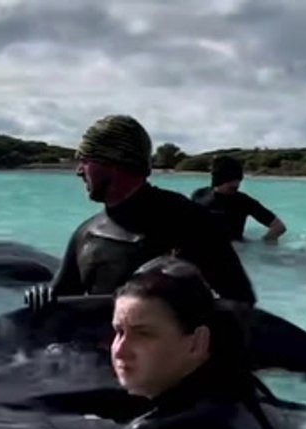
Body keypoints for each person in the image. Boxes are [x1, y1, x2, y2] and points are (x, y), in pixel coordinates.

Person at [105, 258, 304, 429]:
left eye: (144, 334)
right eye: (118, 332)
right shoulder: (258, 404)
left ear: (197, 342)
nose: (120, 351)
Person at [21, 114, 256, 309]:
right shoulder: (86, 234)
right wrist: (42, 297)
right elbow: (62, 304)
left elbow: (241, 303)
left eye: (84, 160)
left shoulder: (189, 223)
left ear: (113, 161)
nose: (78, 171)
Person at [190, 156, 286, 243]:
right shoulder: (198, 194)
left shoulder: (243, 201)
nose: (237, 184)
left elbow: (278, 227)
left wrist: (264, 244)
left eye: (238, 179)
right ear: (219, 179)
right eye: (232, 180)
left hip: (234, 250)